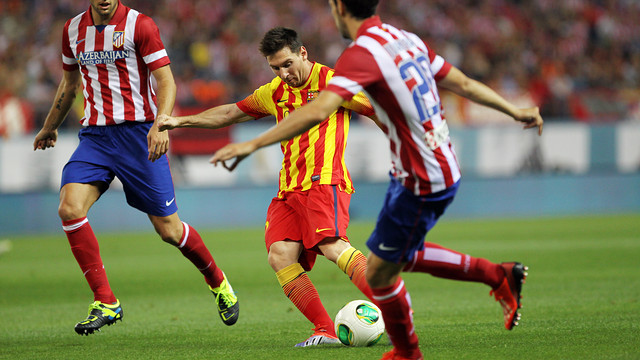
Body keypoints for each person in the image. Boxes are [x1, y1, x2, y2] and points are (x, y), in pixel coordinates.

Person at [209, 0, 544, 358]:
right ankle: (491, 280)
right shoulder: (406, 40)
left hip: (419, 171)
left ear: (339, 8)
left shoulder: (358, 56)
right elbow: (460, 81)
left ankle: (413, 341)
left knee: (378, 262)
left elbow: (321, 109)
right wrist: (514, 110)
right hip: (432, 163)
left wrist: (252, 145)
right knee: (389, 260)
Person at [158, 27, 377, 347]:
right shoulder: (274, 92)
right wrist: (180, 121)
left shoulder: (332, 82)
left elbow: (376, 109)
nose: (283, 73)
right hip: (289, 190)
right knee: (280, 255)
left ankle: (397, 309)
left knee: (332, 247)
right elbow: (231, 112)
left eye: (287, 64)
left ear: (303, 53)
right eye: (275, 67)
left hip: (324, 181)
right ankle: (325, 330)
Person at [32, 0, 238, 336]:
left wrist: (161, 125)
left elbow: (167, 82)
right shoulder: (72, 30)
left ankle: (217, 280)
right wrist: (50, 125)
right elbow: (70, 85)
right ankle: (106, 300)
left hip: (139, 135)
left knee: (169, 231)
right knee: (69, 208)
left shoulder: (140, 25)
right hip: (96, 138)